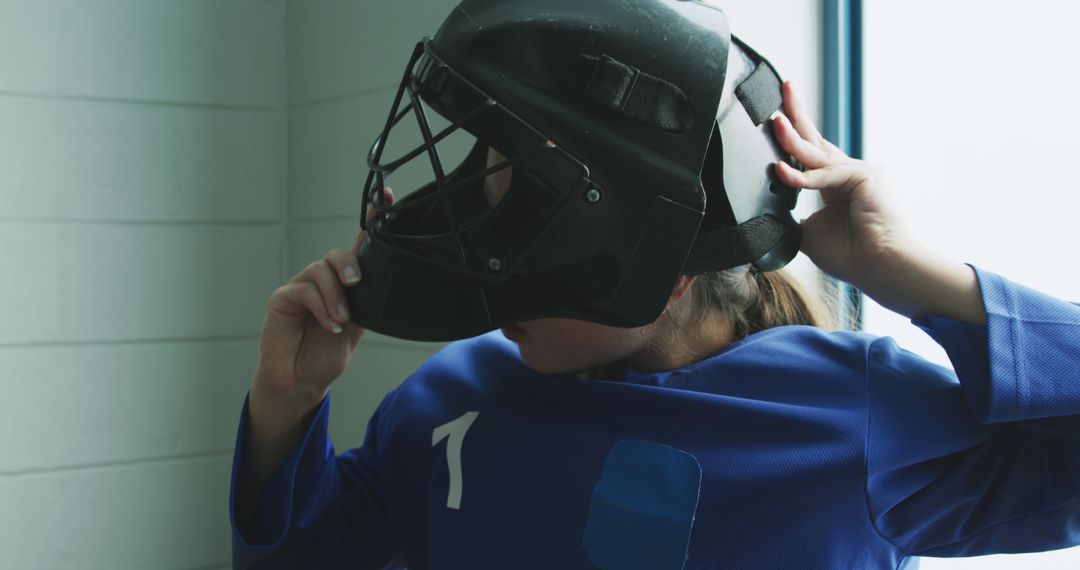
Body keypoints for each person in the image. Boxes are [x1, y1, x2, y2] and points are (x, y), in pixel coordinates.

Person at [229, 1, 1080, 568]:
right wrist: (285, 406)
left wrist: (917, 277)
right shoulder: (453, 398)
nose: (474, 255)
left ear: (658, 273)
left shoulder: (850, 415)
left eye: (518, 218)